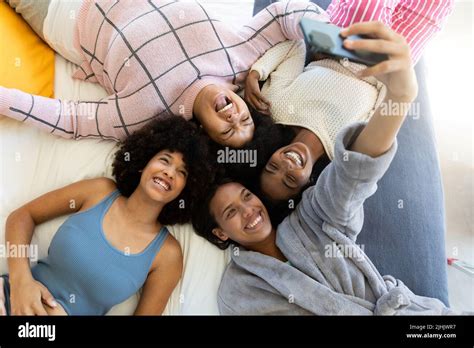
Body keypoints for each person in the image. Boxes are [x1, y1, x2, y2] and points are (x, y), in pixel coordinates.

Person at [192, 22, 454, 315]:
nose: (248, 211)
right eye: (230, 213)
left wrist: (401, 97)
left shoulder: (312, 219)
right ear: (221, 233)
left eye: (246, 197)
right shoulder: (239, 290)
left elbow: (353, 174)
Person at [0, 0, 330, 147]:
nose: (233, 119)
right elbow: (286, 13)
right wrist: (333, 38)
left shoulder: (145, 114)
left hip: (64, 14)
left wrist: (3, 100)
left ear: (205, 133)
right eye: (244, 120)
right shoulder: (238, 59)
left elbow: (69, 120)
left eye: (228, 132)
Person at [0, 115, 213, 315]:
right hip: (9, 296)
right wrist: (21, 283)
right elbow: (23, 216)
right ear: (144, 164)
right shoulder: (99, 191)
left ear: (185, 189)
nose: (169, 172)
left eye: (181, 172)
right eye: (164, 160)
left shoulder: (168, 255)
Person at [244, 0, 454, 202]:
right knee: (436, 6)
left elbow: (294, 47)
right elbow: (381, 108)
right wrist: (391, 77)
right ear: (307, 182)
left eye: (272, 167)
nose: (286, 165)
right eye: (290, 180)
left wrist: (257, 71)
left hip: (339, 41)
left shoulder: (276, 109)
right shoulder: (343, 151)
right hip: (384, 67)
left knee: (366, 9)